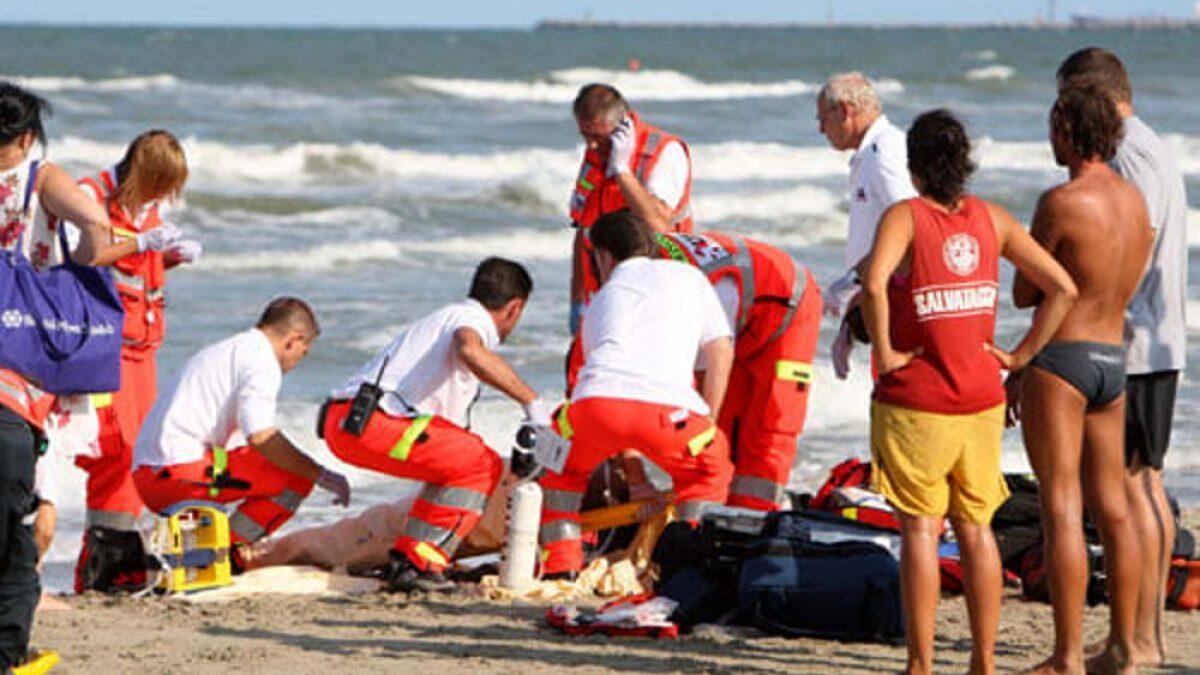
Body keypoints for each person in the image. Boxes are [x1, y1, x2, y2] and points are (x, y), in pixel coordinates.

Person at [861, 109, 1076, 675]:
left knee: (920, 529)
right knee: (975, 528)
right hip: (982, 396)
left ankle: (921, 664)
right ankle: (982, 662)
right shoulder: (994, 218)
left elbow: (873, 282)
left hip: (918, 400)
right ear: (966, 163)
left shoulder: (905, 217)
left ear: (913, 167)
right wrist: (1020, 355)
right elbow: (1062, 287)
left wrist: (884, 351)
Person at [1012, 88, 1153, 675]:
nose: (1049, 137)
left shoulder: (1061, 201)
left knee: (1062, 507)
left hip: (1061, 360)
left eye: (1053, 126)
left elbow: (1025, 291)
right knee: (1115, 506)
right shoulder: (1135, 203)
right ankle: (1122, 645)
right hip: (1112, 359)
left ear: (1069, 129)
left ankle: (1067, 656)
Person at [0, 81, 140, 670]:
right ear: (28, 136)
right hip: (19, 367)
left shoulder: (39, 180)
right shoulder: (42, 178)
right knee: (24, 515)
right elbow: (94, 240)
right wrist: (138, 242)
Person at [1056, 48, 1189, 668]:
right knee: (1146, 486)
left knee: (1130, 491)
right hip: (1162, 337)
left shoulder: (1128, 154)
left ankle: (1133, 643)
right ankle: (1147, 639)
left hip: (1133, 340)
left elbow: (1131, 244)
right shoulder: (1156, 144)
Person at [321, 257, 548, 592]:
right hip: (370, 420)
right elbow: (469, 347)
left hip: (346, 420)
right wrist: (533, 403)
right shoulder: (470, 320)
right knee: (480, 464)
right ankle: (422, 561)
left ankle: (410, 562)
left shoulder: (441, 321)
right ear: (515, 308)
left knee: (457, 463)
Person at [539, 211, 735, 579]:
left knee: (558, 471)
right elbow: (720, 351)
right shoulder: (690, 276)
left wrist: (636, 476)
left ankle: (560, 569)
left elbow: (613, 395)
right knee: (708, 472)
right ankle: (688, 568)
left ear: (604, 256)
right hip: (670, 416)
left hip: (593, 410)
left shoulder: (602, 298)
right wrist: (708, 419)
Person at [73, 130, 202, 592]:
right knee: (113, 450)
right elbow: (82, 259)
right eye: (162, 184)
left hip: (143, 351)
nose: (165, 197)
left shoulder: (146, 210)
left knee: (139, 453)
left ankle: (120, 562)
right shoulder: (89, 196)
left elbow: (135, 270)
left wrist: (169, 257)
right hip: (104, 349)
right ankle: (99, 565)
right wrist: (142, 243)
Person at [132, 297, 350, 568]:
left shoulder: (230, 349)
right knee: (294, 475)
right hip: (176, 476)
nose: (296, 363)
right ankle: (224, 556)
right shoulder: (262, 361)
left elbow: (243, 448)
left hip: (151, 474)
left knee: (264, 462)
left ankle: (216, 548)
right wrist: (321, 474)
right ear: (293, 340)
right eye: (302, 353)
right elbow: (260, 436)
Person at [654, 231, 823, 510]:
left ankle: (752, 521)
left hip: (789, 312)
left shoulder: (696, 292)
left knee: (769, 428)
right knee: (726, 429)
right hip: (743, 318)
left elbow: (707, 373)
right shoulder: (631, 278)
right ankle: (711, 511)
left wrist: (700, 433)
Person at [815, 72, 918, 378]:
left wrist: (850, 284)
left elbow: (911, 225)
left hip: (897, 304)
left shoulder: (884, 151)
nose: (821, 129)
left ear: (845, 111)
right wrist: (853, 315)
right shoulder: (869, 153)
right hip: (878, 300)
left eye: (823, 119)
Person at [567, 84, 694, 331]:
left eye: (598, 137)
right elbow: (583, 231)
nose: (591, 146)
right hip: (604, 300)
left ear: (622, 126)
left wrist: (622, 171)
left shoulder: (663, 153)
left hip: (654, 299)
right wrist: (577, 301)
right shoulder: (595, 157)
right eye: (585, 135)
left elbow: (659, 224)